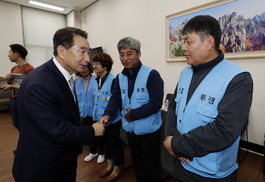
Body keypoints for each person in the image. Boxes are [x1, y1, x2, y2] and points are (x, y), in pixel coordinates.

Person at [163, 15, 253, 182]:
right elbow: (173, 107)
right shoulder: (186, 72)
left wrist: (178, 145)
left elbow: (223, 130)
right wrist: (175, 143)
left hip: (212, 175)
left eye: (188, 42)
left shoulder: (238, 79)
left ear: (209, 42)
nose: (183, 47)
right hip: (182, 164)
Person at [12, 27, 105, 182]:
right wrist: (91, 131)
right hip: (43, 169)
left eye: (88, 53)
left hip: (62, 161)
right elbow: (57, 130)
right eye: (82, 51)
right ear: (62, 51)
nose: (88, 59)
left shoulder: (63, 76)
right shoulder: (39, 83)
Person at [99, 37, 164, 182]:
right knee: (138, 165)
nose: (125, 58)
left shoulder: (152, 75)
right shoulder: (120, 77)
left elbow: (155, 103)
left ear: (139, 54)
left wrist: (133, 114)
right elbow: (115, 98)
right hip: (131, 130)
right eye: (122, 54)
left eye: (129, 54)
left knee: (151, 168)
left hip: (149, 131)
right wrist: (107, 115)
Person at [90, 53, 124, 181]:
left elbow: (115, 103)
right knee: (106, 145)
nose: (94, 66)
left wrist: (108, 118)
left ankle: (117, 167)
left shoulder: (114, 80)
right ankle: (110, 164)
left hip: (112, 121)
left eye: (97, 63)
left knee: (115, 145)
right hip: (99, 120)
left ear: (105, 66)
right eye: (94, 63)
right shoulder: (96, 79)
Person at [2, 44, 34, 130]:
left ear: (16, 54)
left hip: (24, 99)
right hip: (14, 99)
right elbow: (11, 84)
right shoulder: (13, 69)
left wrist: (11, 86)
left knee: (25, 123)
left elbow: (28, 87)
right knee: (17, 123)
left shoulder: (29, 69)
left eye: (10, 52)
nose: (8, 55)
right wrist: (9, 80)